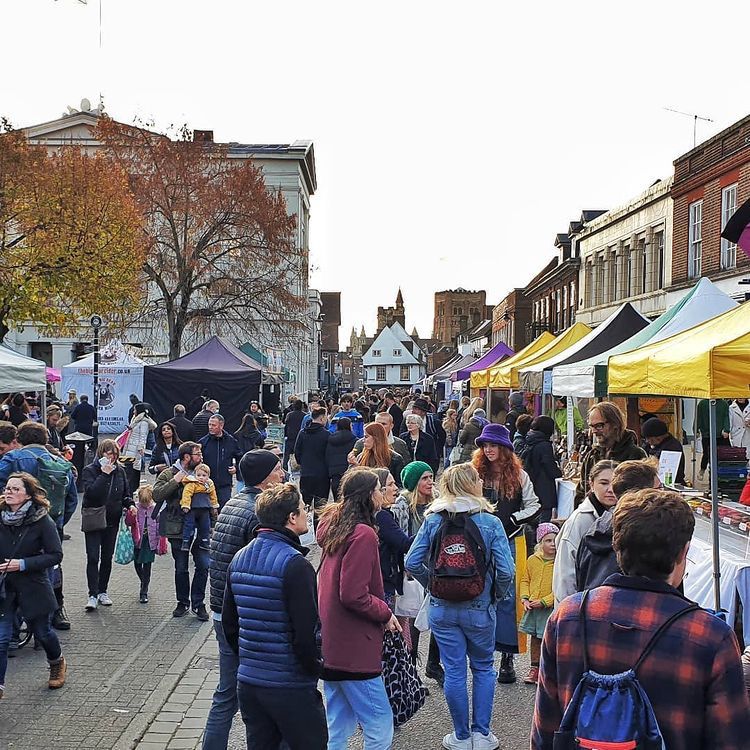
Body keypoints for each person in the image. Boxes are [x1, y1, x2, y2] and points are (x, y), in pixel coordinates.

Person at [532, 489, 750, 750]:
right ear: (684, 553)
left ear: (616, 546)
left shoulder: (567, 616)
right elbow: (731, 740)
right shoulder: (710, 636)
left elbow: (545, 727)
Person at [405, 463, 514, 750]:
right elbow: (506, 571)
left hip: (442, 606)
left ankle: (461, 736)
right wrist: (495, 595)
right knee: (483, 668)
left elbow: (412, 561)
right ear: (470, 484)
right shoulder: (490, 522)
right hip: (479, 606)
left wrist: (433, 585)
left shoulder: (433, 519)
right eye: (477, 478)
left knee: (454, 670)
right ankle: (482, 734)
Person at [222, 482, 327, 750]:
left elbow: (229, 624)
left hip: (250, 683)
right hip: (289, 684)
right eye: (303, 509)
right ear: (291, 518)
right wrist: (315, 667)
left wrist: (248, 659)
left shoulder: (239, 558)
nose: (307, 514)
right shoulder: (296, 565)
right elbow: (305, 633)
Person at [202, 449, 284, 750]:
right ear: (264, 478)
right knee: (256, 695)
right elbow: (259, 566)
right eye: (277, 470)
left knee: (226, 693)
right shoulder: (257, 512)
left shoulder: (234, 502)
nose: (283, 474)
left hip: (222, 610)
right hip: (242, 615)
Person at [316, 467, 401, 750]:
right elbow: (353, 594)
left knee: (337, 725)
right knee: (379, 723)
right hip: (354, 646)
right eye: (378, 488)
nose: (382, 493)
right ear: (368, 495)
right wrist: (385, 612)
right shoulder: (362, 534)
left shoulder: (335, 526)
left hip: (332, 642)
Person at [472, 423, 540, 684]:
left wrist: (513, 518)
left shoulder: (520, 476)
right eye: (485, 445)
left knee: (509, 597)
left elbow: (534, 505)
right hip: (481, 540)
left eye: (493, 445)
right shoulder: (476, 472)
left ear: (504, 448)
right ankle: (483, 651)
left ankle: (507, 657)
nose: (488, 450)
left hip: (511, 540)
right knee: (482, 592)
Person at [0, 421, 78, 631]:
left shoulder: (13, 458)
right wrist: (57, 523)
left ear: (20, 439)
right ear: (46, 440)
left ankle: (13, 625)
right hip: (51, 522)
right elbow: (71, 500)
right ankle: (54, 612)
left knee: (12, 566)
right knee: (51, 564)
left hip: (15, 526)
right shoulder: (60, 462)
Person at [0, 472, 67, 697]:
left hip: (33, 585)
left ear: (28, 495)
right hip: (4, 587)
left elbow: (55, 555)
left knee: (43, 631)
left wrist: (23, 564)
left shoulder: (41, 520)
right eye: (7, 488)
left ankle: (57, 662)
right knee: (1, 639)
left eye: (15, 489)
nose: (9, 492)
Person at [575, 458, 661, 592]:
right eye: (659, 488)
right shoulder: (640, 537)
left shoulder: (596, 527)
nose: (663, 494)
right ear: (645, 495)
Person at [153, 442, 211, 621]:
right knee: (181, 567)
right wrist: (176, 480)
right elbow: (157, 495)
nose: (200, 456)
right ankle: (183, 602)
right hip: (177, 527)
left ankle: (198, 603)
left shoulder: (202, 472)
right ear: (186, 457)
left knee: (203, 565)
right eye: (197, 454)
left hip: (201, 529)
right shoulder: (168, 473)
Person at [552, 459, 618, 604]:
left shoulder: (618, 516)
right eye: (604, 483)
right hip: (579, 608)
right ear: (591, 484)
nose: (611, 489)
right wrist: (569, 613)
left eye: (615, 483)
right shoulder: (580, 521)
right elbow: (565, 577)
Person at [81, 439, 135, 610]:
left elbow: (125, 493)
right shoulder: (90, 470)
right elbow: (91, 494)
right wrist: (104, 474)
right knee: (93, 557)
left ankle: (102, 591)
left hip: (112, 519)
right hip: (94, 518)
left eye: (114, 454)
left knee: (106, 557)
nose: (111, 457)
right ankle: (92, 594)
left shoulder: (120, 471)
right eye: (108, 453)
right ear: (101, 453)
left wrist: (130, 504)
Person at [373, 467, 415, 638]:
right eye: (390, 484)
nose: (396, 488)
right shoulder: (381, 516)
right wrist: (429, 526)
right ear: (379, 490)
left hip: (385, 579)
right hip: (385, 581)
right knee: (391, 635)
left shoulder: (384, 514)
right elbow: (404, 543)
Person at [576, 402, 646, 502]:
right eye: (592, 426)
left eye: (599, 426)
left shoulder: (636, 455)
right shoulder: (592, 456)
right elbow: (581, 492)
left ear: (615, 424)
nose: (594, 431)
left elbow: (642, 495)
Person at [519, 522, 558, 685]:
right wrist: (525, 598)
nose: (552, 544)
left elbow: (559, 587)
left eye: (555, 540)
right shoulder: (532, 560)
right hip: (534, 608)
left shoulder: (559, 562)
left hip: (548, 608)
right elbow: (525, 580)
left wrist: (545, 601)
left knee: (550, 639)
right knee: (535, 639)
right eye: (548, 540)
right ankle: (534, 668)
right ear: (540, 543)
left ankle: (548, 670)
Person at [124, 484, 166, 603]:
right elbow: (128, 522)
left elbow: (159, 526)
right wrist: (130, 514)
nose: (145, 505)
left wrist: (161, 541)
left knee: (147, 565)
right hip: (137, 540)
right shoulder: (135, 508)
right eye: (143, 502)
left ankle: (144, 590)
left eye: (147, 502)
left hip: (150, 541)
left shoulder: (156, 509)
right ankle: (143, 581)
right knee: (137, 563)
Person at [520, 416, 562, 523]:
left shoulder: (530, 439)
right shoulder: (544, 445)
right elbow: (550, 467)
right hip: (543, 487)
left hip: (532, 483)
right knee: (543, 521)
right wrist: (559, 473)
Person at [199, 415, 242, 507]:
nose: (210, 427)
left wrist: (236, 468)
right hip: (206, 484)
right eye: (209, 425)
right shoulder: (203, 442)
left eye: (213, 425)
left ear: (221, 425)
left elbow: (240, 458)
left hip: (224, 484)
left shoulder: (231, 441)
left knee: (223, 509)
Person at [294, 406, 330, 516]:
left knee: (305, 506)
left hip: (306, 473)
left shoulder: (302, 433)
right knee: (321, 508)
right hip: (322, 475)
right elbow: (329, 455)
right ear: (322, 418)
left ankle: (306, 529)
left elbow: (297, 452)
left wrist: (303, 463)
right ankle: (319, 529)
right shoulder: (326, 435)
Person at [180, 463, 219, 552]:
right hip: (192, 508)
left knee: (205, 525)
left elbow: (213, 496)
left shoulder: (209, 485)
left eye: (204, 475)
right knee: (188, 525)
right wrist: (185, 505)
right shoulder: (192, 483)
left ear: (208, 476)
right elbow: (186, 494)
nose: (201, 477)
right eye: (198, 475)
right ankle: (185, 541)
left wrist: (214, 506)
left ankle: (205, 541)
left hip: (205, 508)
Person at [122, 403, 157, 494]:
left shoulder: (144, 422)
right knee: (129, 467)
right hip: (130, 446)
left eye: (135, 410)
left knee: (134, 468)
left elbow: (143, 436)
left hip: (136, 448)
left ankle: (133, 487)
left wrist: (141, 447)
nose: (133, 411)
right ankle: (129, 486)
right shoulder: (135, 419)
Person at [641, 417, 685, 485]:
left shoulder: (672, 447)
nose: (648, 441)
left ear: (659, 437)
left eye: (650, 439)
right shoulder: (647, 445)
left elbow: (665, 473)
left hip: (670, 484)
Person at [325, 417, 357, 501]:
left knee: (337, 501)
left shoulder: (331, 440)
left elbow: (327, 456)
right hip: (349, 473)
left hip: (335, 473)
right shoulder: (354, 440)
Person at [283, 399, 305, 471]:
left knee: (287, 455)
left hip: (290, 438)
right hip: (300, 438)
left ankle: (285, 468)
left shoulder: (289, 415)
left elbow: (286, 424)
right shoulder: (304, 415)